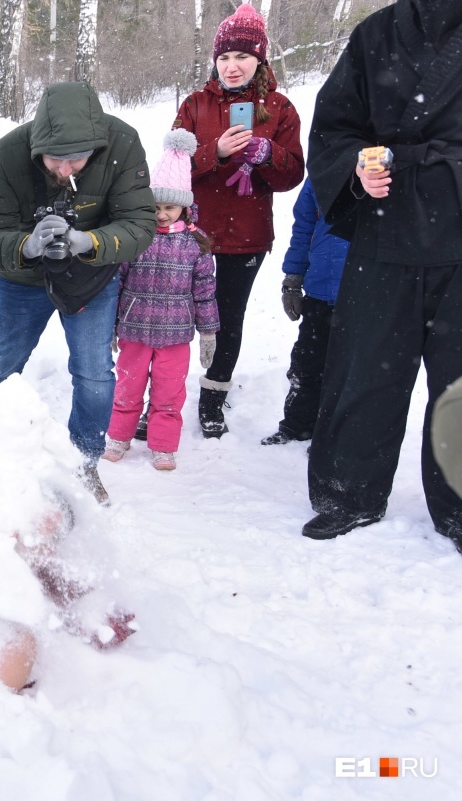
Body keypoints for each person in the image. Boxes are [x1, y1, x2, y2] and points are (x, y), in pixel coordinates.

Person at [302, 0, 462, 545]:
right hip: (386, 224)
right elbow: (334, 126)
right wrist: (355, 164)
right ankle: (348, 493)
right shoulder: (377, 32)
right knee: (365, 369)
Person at [0, 81, 155, 503]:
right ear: (38, 146)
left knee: (93, 373)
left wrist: (89, 242)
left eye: (78, 159)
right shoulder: (9, 152)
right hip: (23, 279)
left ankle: (82, 462)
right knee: (1, 369)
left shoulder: (122, 143)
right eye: (57, 159)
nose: (68, 169)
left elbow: (140, 223)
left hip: (90, 276)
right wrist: (28, 245)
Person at [173, 0, 304, 438]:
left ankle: (212, 398)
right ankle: (164, 399)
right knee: (172, 316)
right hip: (190, 234)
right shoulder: (195, 105)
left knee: (228, 320)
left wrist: (269, 154)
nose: (232, 66)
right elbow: (172, 169)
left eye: (242, 56)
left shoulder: (280, 108)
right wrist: (217, 153)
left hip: (247, 238)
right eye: (224, 57)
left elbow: (292, 176)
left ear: (260, 59)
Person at [100, 130, 219, 471]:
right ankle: (118, 438)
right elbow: (117, 281)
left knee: (169, 395)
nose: (162, 213)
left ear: (185, 205)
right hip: (134, 329)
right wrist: (110, 325)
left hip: (176, 334)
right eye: (155, 207)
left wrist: (208, 332)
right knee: (127, 388)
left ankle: (163, 446)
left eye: (169, 206)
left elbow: (205, 291)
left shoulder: (196, 244)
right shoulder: (136, 237)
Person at [259, 179, 348, 446]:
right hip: (320, 292)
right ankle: (297, 426)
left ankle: (335, 438)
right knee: (306, 364)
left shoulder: (381, 173)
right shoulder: (321, 177)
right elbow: (303, 230)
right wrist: (293, 279)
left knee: (350, 372)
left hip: (365, 297)